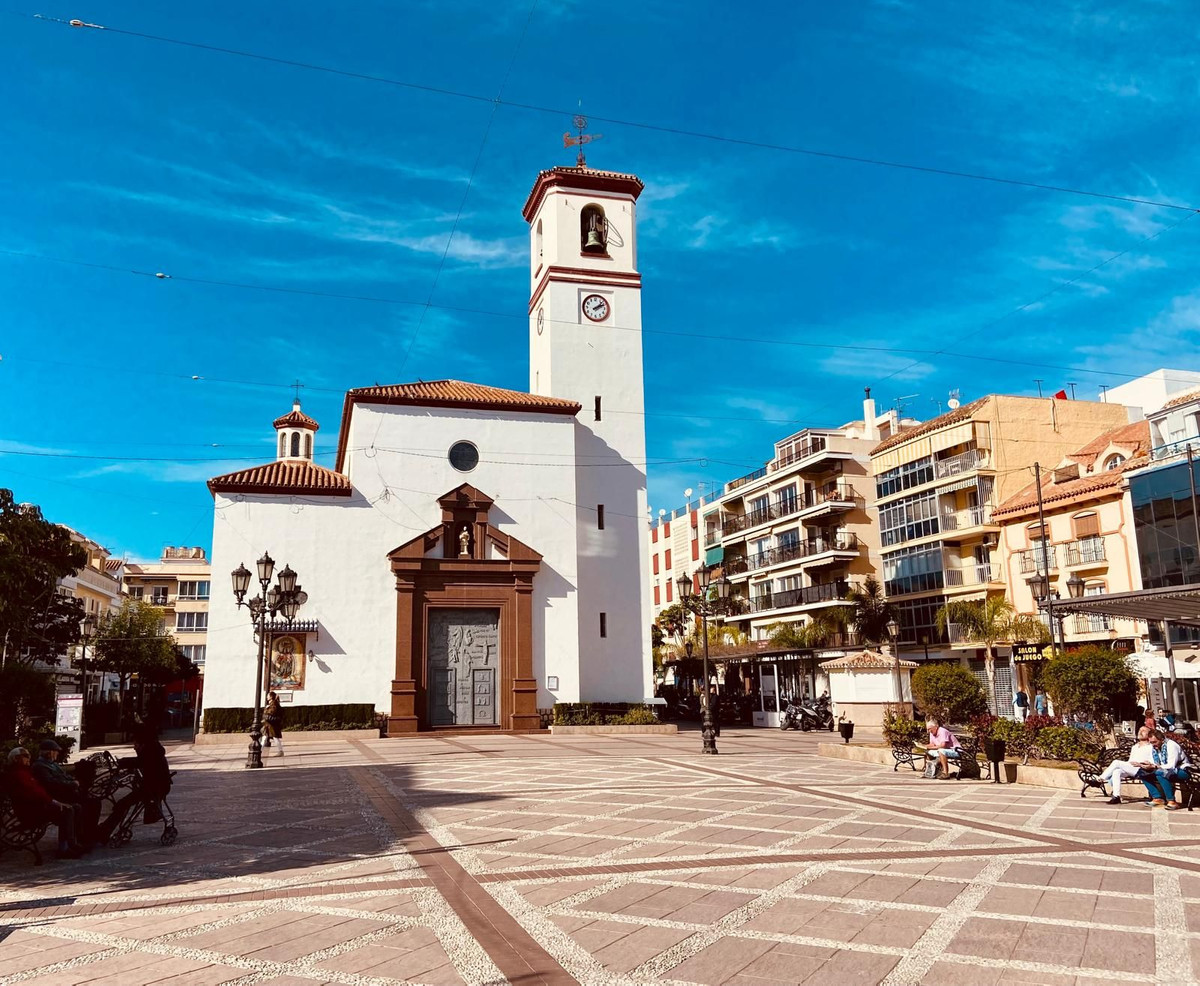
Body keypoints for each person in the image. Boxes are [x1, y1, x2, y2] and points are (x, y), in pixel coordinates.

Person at [96, 720, 173, 843]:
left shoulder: (150, 753)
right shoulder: (153, 750)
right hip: (153, 787)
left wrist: (122, 763)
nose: (134, 747)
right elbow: (138, 763)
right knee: (123, 804)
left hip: (153, 789)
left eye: (136, 743)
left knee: (122, 804)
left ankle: (105, 831)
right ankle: (105, 830)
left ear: (143, 743)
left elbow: (139, 762)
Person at [5, 747, 84, 857]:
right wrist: (54, 802)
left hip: (36, 806)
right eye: (26, 756)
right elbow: (34, 793)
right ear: (16, 758)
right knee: (68, 810)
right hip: (31, 811)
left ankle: (72, 842)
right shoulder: (18, 774)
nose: (29, 758)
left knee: (75, 807)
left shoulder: (24, 772)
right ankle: (64, 848)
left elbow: (38, 791)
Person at [31, 739, 101, 846]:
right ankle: (84, 836)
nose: (57, 753)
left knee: (93, 802)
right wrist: (72, 784)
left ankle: (86, 834)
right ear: (50, 752)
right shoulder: (40, 766)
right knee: (90, 804)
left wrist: (73, 781)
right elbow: (51, 783)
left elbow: (63, 776)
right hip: (60, 795)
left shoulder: (51, 764)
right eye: (56, 751)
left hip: (66, 792)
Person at [1100, 727, 1156, 805]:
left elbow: (1153, 761)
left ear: (1149, 734)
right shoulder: (1135, 747)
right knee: (1117, 772)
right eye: (1140, 730)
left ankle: (1100, 779)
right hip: (1132, 768)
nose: (1140, 732)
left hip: (1141, 769)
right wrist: (1126, 765)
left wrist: (1144, 764)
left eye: (1143, 731)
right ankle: (1116, 796)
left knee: (1116, 762)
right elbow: (1130, 760)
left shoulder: (1150, 747)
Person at [1142, 729, 1191, 809]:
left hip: (1182, 770)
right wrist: (1148, 764)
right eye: (1151, 742)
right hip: (1165, 770)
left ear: (1161, 739)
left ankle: (1171, 801)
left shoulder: (1171, 746)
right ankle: (1157, 798)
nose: (1153, 745)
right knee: (1142, 773)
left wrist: (1155, 766)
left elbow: (1171, 765)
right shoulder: (1154, 748)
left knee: (1160, 773)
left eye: (1155, 742)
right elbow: (1155, 761)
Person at [263, 691, 284, 756]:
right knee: (264, 737)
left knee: (275, 737)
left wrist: (266, 709)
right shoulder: (272, 704)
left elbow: (271, 712)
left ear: (271, 697)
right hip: (269, 724)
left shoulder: (274, 704)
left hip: (272, 724)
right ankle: (259, 751)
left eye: (268, 695)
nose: (267, 697)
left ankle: (281, 751)